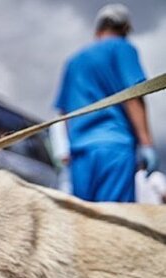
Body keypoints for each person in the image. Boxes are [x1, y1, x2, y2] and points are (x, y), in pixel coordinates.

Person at [53, 4, 158, 202]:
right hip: (114, 148)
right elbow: (133, 96)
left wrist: (71, 149)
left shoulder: (73, 61)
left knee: (84, 222)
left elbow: (65, 112)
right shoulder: (122, 48)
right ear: (125, 29)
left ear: (98, 29)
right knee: (113, 222)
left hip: (80, 154)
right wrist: (147, 144)